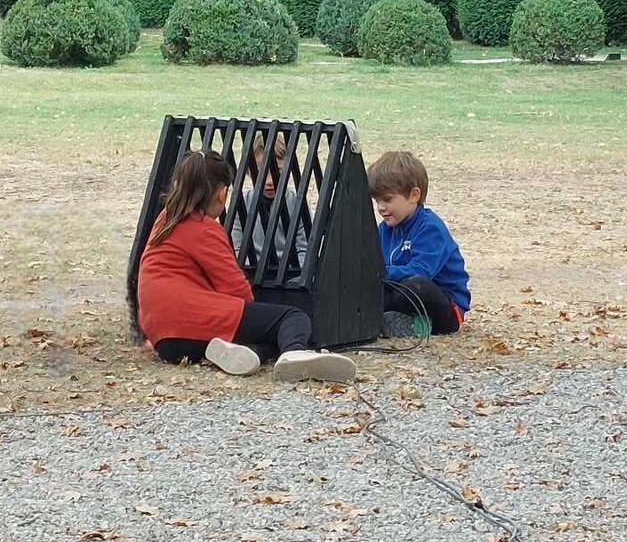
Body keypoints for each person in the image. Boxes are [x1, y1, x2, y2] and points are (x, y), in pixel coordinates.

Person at [132, 150, 356, 383]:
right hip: (192, 318)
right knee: (292, 318)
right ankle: (295, 354)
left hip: (164, 339)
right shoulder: (204, 228)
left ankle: (246, 354)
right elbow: (236, 290)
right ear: (221, 193)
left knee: (266, 333)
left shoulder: (165, 219)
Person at [369, 150, 470, 336]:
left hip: (444, 305)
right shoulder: (384, 229)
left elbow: (422, 270)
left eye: (387, 199)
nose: (381, 208)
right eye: (377, 201)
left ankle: (418, 323)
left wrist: (380, 273)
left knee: (416, 286)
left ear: (414, 195)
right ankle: (401, 322)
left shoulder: (430, 228)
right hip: (400, 292)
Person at [237, 130, 309, 285]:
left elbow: (304, 249)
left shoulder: (296, 203)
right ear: (249, 171)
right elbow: (235, 249)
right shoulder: (241, 204)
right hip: (249, 278)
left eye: (278, 171)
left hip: (290, 278)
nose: (269, 181)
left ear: (289, 170)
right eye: (262, 172)